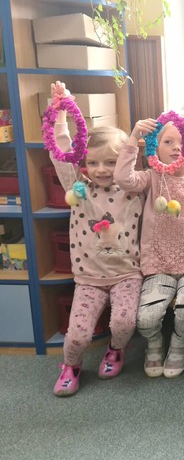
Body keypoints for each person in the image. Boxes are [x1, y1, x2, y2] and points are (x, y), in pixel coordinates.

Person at [114, 115, 184, 378]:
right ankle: (155, 343)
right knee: (146, 319)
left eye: (183, 142)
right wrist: (134, 138)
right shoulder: (151, 178)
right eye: (168, 142)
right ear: (155, 149)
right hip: (159, 265)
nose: (176, 147)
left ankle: (178, 343)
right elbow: (123, 179)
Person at [49, 83, 144, 397]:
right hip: (89, 277)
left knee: (124, 324)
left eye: (110, 162)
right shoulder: (79, 188)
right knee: (77, 335)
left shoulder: (133, 188)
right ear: (84, 164)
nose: (101, 169)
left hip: (127, 275)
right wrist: (60, 111)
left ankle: (116, 350)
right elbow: (61, 151)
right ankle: (71, 366)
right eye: (93, 162)